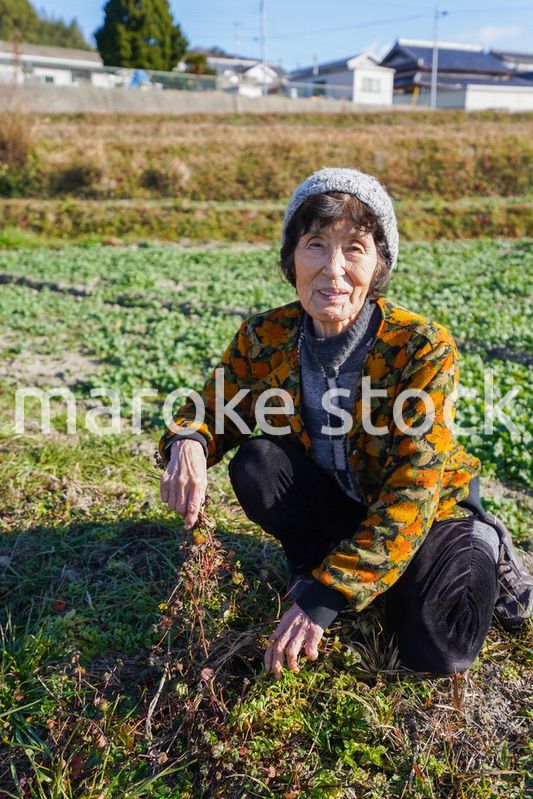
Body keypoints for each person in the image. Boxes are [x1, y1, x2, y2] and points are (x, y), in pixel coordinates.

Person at [159, 167, 533, 678]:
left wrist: (327, 597)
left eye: (355, 248)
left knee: (437, 650)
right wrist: (189, 442)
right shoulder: (265, 335)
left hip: (429, 515)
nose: (333, 270)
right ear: (292, 258)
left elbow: (412, 491)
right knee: (258, 463)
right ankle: (319, 565)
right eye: (315, 244)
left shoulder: (420, 348)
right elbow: (211, 407)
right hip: (344, 504)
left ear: (379, 265)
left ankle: (484, 545)